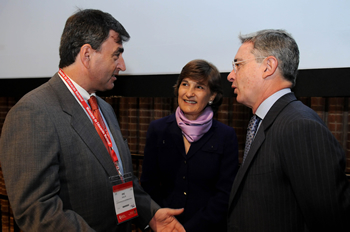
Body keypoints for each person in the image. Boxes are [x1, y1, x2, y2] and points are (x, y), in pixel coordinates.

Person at [0, 9, 185, 232]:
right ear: (87, 54)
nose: (122, 65)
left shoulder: (104, 108)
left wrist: (150, 213)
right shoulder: (32, 112)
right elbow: (38, 211)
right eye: (116, 55)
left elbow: (119, 176)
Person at [226, 29, 350, 231]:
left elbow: (331, 221)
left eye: (238, 65)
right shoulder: (267, 120)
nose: (231, 76)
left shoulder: (300, 126)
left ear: (268, 66)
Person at [141, 59, 239, 232]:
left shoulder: (226, 136)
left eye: (199, 87)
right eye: (185, 84)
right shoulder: (158, 129)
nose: (189, 93)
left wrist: (190, 228)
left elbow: (224, 194)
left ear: (213, 95)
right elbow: (149, 184)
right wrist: (165, 221)